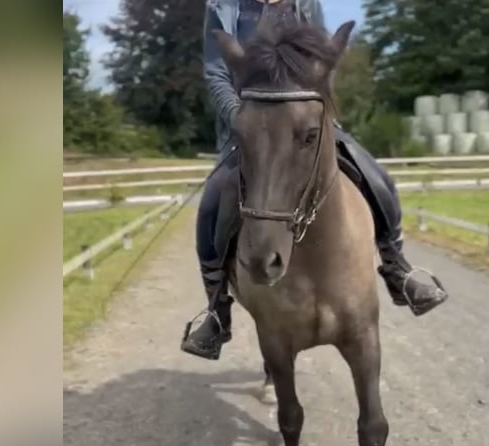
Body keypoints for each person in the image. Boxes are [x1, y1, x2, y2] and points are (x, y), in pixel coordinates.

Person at [181, 0, 448, 360]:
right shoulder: (224, 7)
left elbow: (324, 61)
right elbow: (216, 72)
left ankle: (396, 265)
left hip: (306, 115)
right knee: (214, 198)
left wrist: (316, 106)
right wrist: (242, 116)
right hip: (253, 121)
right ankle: (217, 308)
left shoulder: (307, 4)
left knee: (375, 174)